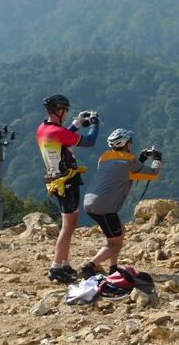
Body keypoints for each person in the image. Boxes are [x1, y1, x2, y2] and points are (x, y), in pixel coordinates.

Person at [80, 129, 162, 277]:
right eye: (130, 141)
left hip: (90, 202)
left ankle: (113, 268)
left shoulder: (104, 157)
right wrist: (156, 159)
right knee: (114, 243)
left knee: (120, 231)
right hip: (104, 207)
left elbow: (121, 170)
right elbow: (153, 173)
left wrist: (140, 160)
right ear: (126, 144)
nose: (131, 143)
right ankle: (89, 267)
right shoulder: (129, 162)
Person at [36, 94, 100, 283]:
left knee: (67, 224)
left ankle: (64, 263)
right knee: (68, 225)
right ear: (59, 111)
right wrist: (95, 122)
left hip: (55, 181)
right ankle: (56, 267)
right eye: (66, 111)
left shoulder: (43, 128)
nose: (67, 115)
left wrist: (78, 123)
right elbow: (89, 142)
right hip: (67, 181)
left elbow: (64, 138)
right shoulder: (58, 132)